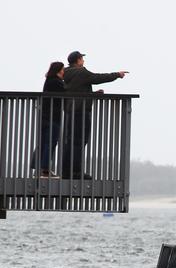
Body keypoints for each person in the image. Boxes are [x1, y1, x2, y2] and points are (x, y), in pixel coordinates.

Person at [61, 51, 128, 179]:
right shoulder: (81, 72)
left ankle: (66, 171)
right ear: (78, 60)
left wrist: (93, 94)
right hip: (81, 111)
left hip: (70, 111)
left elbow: (75, 91)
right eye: (82, 59)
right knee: (80, 141)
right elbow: (98, 78)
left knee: (70, 141)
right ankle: (75, 172)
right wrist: (117, 75)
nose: (83, 61)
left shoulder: (65, 72)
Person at [32, 61, 65, 178]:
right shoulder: (56, 82)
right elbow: (66, 93)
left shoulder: (49, 81)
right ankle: (45, 171)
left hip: (45, 116)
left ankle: (37, 168)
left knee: (43, 142)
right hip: (53, 117)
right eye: (63, 69)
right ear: (58, 70)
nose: (64, 71)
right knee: (50, 143)